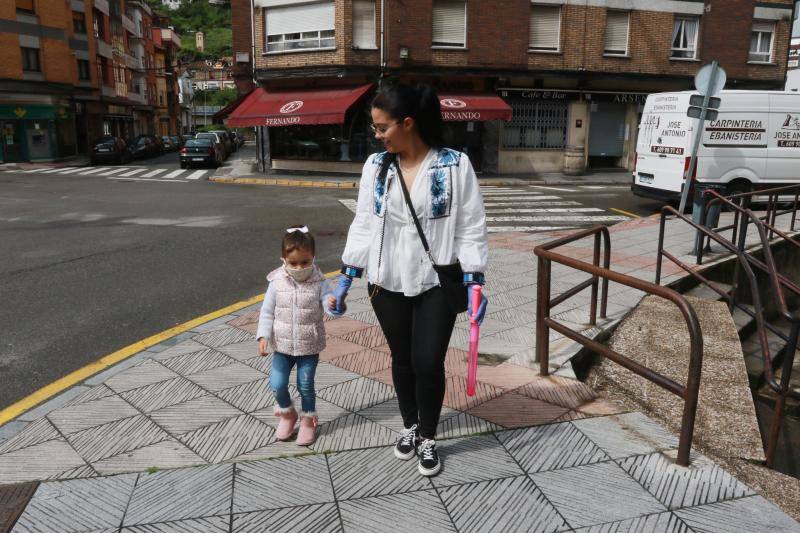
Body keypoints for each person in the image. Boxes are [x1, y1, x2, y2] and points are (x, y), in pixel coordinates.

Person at [332, 83, 489, 476]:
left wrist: (474, 282)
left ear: (408, 123)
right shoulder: (376, 166)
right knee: (402, 359)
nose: (377, 135)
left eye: (383, 127)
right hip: (386, 281)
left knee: (428, 361)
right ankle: (410, 426)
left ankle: (430, 436)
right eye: (375, 128)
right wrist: (346, 278)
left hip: (437, 280)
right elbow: (365, 222)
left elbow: (471, 227)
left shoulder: (454, 165)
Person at [256, 225, 338, 446]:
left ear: (313, 257)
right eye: (293, 263)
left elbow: (329, 305)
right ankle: (288, 414)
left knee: (305, 384)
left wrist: (332, 304)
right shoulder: (276, 283)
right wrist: (263, 335)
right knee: (277, 383)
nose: (299, 267)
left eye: (305, 262)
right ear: (283, 259)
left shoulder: (320, 282)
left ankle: (308, 420)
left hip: (309, 346)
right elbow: (267, 312)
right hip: (281, 346)